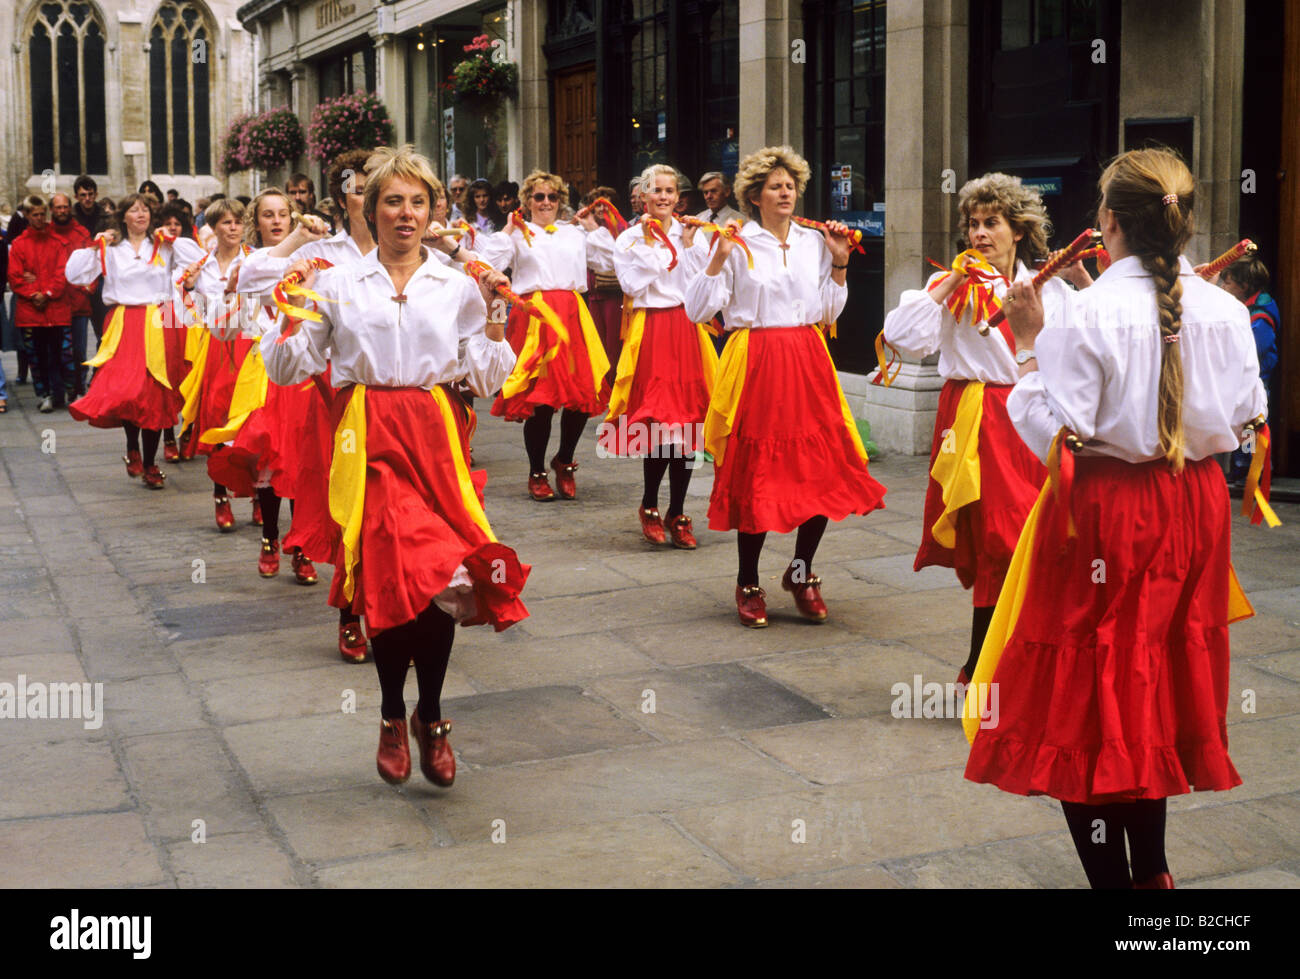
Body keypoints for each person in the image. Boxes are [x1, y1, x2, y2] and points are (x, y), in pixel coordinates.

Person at [963, 147, 1269, 889]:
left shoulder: (1087, 311)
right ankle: (1152, 875)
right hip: (1192, 504)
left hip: (1103, 504)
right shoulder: (1227, 308)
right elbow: (1245, 417)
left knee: (1084, 691)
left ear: (1106, 223)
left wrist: (1030, 345)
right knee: (1151, 677)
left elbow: (1053, 435)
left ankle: (1120, 891)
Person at [265, 145, 527, 787]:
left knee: (443, 574)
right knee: (391, 573)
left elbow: (489, 379)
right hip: (364, 438)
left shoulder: (458, 284)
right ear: (370, 208)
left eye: (418, 202)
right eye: (392, 201)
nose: (405, 214)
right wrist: (289, 316)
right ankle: (390, 712)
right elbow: (287, 367)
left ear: (433, 211)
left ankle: (429, 715)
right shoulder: (335, 280)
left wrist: (496, 316)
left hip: (436, 435)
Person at [882, 173, 1073, 687]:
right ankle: (981, 668)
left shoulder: (1048, 287)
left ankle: (1002, 663)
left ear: (1019, 230)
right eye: (973, 224)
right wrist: (949, 284)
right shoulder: (953, 286)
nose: (980, 233)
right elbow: (902, 337)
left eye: (993, 223)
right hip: (977, 415)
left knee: (1039, 539)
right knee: (999, 541)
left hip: (1035, 416)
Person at [684, 145, 887, 627]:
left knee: (819, 472)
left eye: (791, 186)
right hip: (755, 359)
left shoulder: (815, 241)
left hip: (807, 358)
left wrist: (839, 264)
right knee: (757, 472)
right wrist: (717, 260)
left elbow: (828, 313)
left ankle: (801, 572)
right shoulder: (730, 240)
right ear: (755, 195)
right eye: (775, 186)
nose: (786, 193)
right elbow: (696, 311)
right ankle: (748, 580)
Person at [235, 147, 380, 662]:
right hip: (340, 402)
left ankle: (391, 610)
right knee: (344, 507)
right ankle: (349, 612)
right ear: (343, 196)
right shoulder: (327, 254)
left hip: (407, 407)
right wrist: (297, 237)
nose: (377, 198)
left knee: (395, 515)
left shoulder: (415, 254)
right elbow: (250, 280)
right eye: (362, 188)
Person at [476, 170, 614, 501]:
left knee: (581, 395)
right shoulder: (518, 234)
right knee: (540, 399)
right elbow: (487, 264)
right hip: (535, 316)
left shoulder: (574, 233)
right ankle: (537, 470)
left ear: (561, 201)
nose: (546, 203)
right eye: (539, 197)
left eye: (553, 197)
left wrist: (592, 227)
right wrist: (508, 229)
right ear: (527, 202)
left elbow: (609, 261)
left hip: (571, 314)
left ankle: (564, 459)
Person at [202, 188, 316, 583]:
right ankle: (270, 536)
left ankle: (301, 545)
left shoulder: (310, 259)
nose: (277, 220)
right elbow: (222, 329)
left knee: (303, 459)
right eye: (268, 214)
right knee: (267, 455)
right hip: (263, 371)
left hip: (303, 370)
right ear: (258, 221)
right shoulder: (247, 267)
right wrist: (231, 297)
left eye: (283, 213)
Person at [601, 165, 717, 548]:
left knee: (689, 429)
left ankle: (678, 511)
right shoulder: (631, 239)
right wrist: (662, 249)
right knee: (661, 427)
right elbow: (632, 284)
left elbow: (703, 282)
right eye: (657, 191)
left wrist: (688, 245)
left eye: (670, 191)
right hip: (651, 329)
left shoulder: (692, 233)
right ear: (643, 196)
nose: (665, 197)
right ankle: (650, 504)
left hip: (688, 329)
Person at [67, 192, 205, 487]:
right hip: (125, 321)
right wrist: (95, 245)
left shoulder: (164, 246)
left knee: (155, 392)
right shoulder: (112, 247)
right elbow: (75, 275)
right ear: (123, 216)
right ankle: (132, 445)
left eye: (145, 210)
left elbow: (199, 260)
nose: (141, 214)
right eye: (134, 210)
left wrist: (172, 239)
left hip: (158, 320)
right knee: (128, 390)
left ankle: (152, 463)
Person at [174, 197, 253, 529]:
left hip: (250, 345)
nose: (233, 227)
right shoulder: (200, 267)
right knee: (219, 419)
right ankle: (221, 496)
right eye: (226, 222)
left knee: (251, 422)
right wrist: (188, 290)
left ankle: (259, 494)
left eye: (238, 221)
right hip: (218, 348)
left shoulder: (257, 262)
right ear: (215, 228)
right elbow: (182, 315)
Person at [7, 195, 74, 413]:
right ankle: (43, 393)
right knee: (36, 357)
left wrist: (46, 292)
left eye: (42, 214)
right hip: (30, 311)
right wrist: (33, 293)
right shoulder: (18, 244)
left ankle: (63, 391)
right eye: (34, 215)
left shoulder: (58, 242)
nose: (39, 219)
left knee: (62, 354)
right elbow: (15, 276)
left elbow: (62, 273)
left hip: (55, 308)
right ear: (26, 216)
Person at [1216, 253, 1279, 482]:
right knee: (1244, 426)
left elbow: (1254, 349)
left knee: (1253, 425)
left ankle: (1257, 469)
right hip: (1243, 380)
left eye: (1228, 282)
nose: (1223, 286)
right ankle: (1243, 466)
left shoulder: (1260, 316)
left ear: (1244, 286)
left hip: (1256, 380)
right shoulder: (1245, 308)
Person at [47, 193, 95, 398]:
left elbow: (93, 261)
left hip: (78, 302)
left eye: (65, 207)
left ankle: (78, 386)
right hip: (54, 303)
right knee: (55, 350)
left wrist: (89, 286)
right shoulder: (46, 233)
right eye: (58, 208)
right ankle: (58, 390)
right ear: (52, 210)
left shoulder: (81, 232)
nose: (62, 211)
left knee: (79, 350)